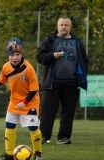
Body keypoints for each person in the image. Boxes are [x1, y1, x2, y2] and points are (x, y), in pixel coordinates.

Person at [0, 37, 43, 160]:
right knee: (9, 125)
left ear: (21, 54)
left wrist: (24, 102)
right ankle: (9, 155)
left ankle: (38, 153)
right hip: (14, 102)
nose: (15, 58)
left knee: (33, 128)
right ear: (8, 55)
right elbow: (0, 81)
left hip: (30, 102)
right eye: (12, 55)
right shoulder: (6, 67)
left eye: (17, 54)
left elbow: (34, 90)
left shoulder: (28, 68)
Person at [37, 16, 88, 144]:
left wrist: (81, 78)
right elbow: (39, 57)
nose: (64, 27)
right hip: (52, 83)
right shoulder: (49, 40)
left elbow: (84, 61)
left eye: (66, 25)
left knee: (68, 113)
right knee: (48, 112)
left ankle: (64, 137)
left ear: (70, 27)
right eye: (61, 25)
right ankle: (43, 136)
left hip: (71, 84)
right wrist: (52, 56)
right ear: (57, 26)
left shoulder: (77, 42)